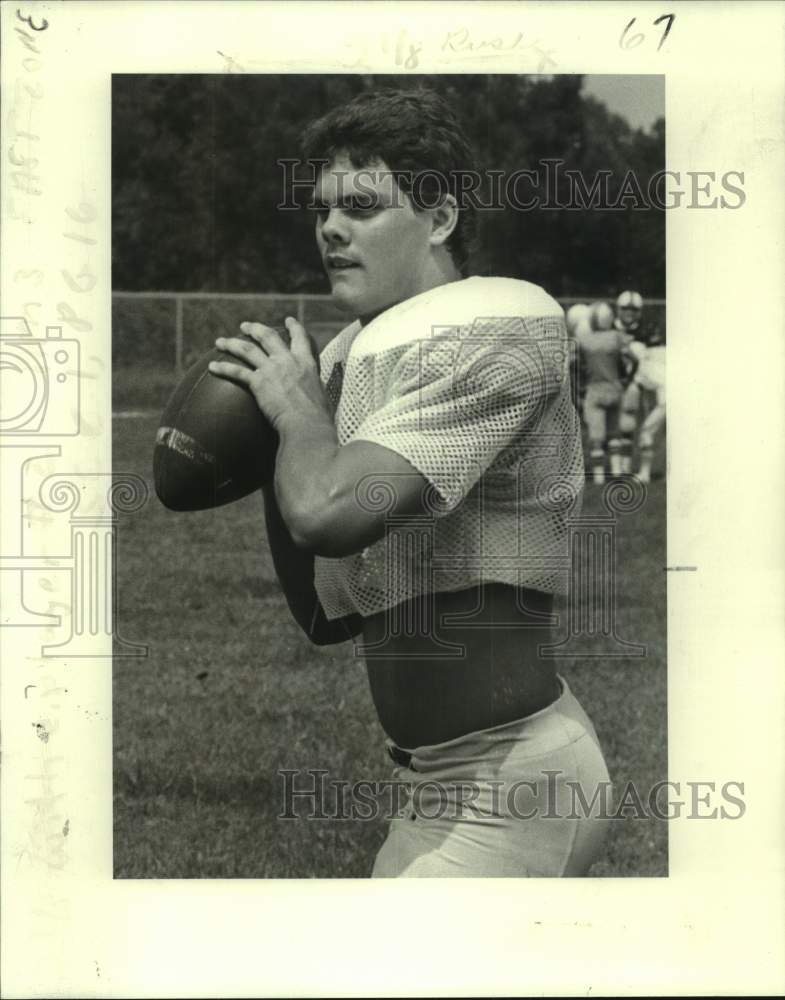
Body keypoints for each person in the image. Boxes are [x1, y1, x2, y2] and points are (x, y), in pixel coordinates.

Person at [208, 88, 612, 877]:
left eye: (362, 206)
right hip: (432, 780)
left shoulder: (497, 327)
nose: (330, 228)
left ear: (441, 219)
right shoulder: (356, 356)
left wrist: (299, 421)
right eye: (322, 209)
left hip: (509, 781)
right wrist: (273, 449)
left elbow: (330, 513)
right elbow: (326, 614)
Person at [576, 300, 634, 484]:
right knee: (614, 434)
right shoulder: (617, 337)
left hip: (595, 389)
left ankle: (599, 477)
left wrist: (579, 385)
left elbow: (572, 364)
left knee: (596, 439)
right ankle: (617, 473)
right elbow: (633, 359)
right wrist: (627, 379)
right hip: (615, 389)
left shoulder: (585, 340)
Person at [616, 290, 666, 478]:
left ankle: (641, 470)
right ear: (618, 309)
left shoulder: (646, 330)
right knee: (623, 426)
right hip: (619, 381)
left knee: (645, 424)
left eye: (634, 309)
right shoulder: (610, 328)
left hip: (641, 380)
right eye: (625, 309)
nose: (629, 313)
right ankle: (622, 467)